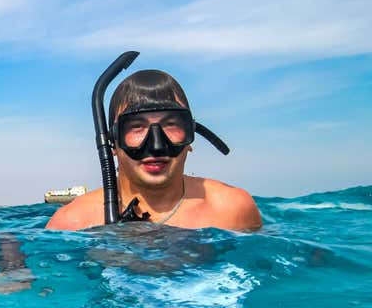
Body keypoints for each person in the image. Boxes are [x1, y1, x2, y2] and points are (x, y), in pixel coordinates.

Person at [46, 69, 261, 232]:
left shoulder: (233, 210)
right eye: (136, 127)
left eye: (171, 125)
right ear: (113, 142)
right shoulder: (73, 223)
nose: (156, 145)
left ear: (190, 137)